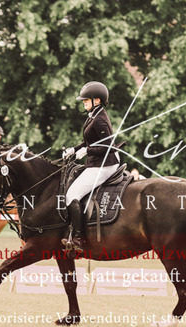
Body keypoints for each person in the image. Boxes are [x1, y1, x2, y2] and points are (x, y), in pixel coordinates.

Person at [61, 81, 120, 254]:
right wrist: (75, 149)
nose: (83, 103)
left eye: (86, 100)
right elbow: (89, 141)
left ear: (97, 100)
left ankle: (79, 238)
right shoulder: (93, 115)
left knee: (72, 195)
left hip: (105, 164)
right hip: (96, 162)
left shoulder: (100, 120)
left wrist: (87, 151)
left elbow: (108, 147)